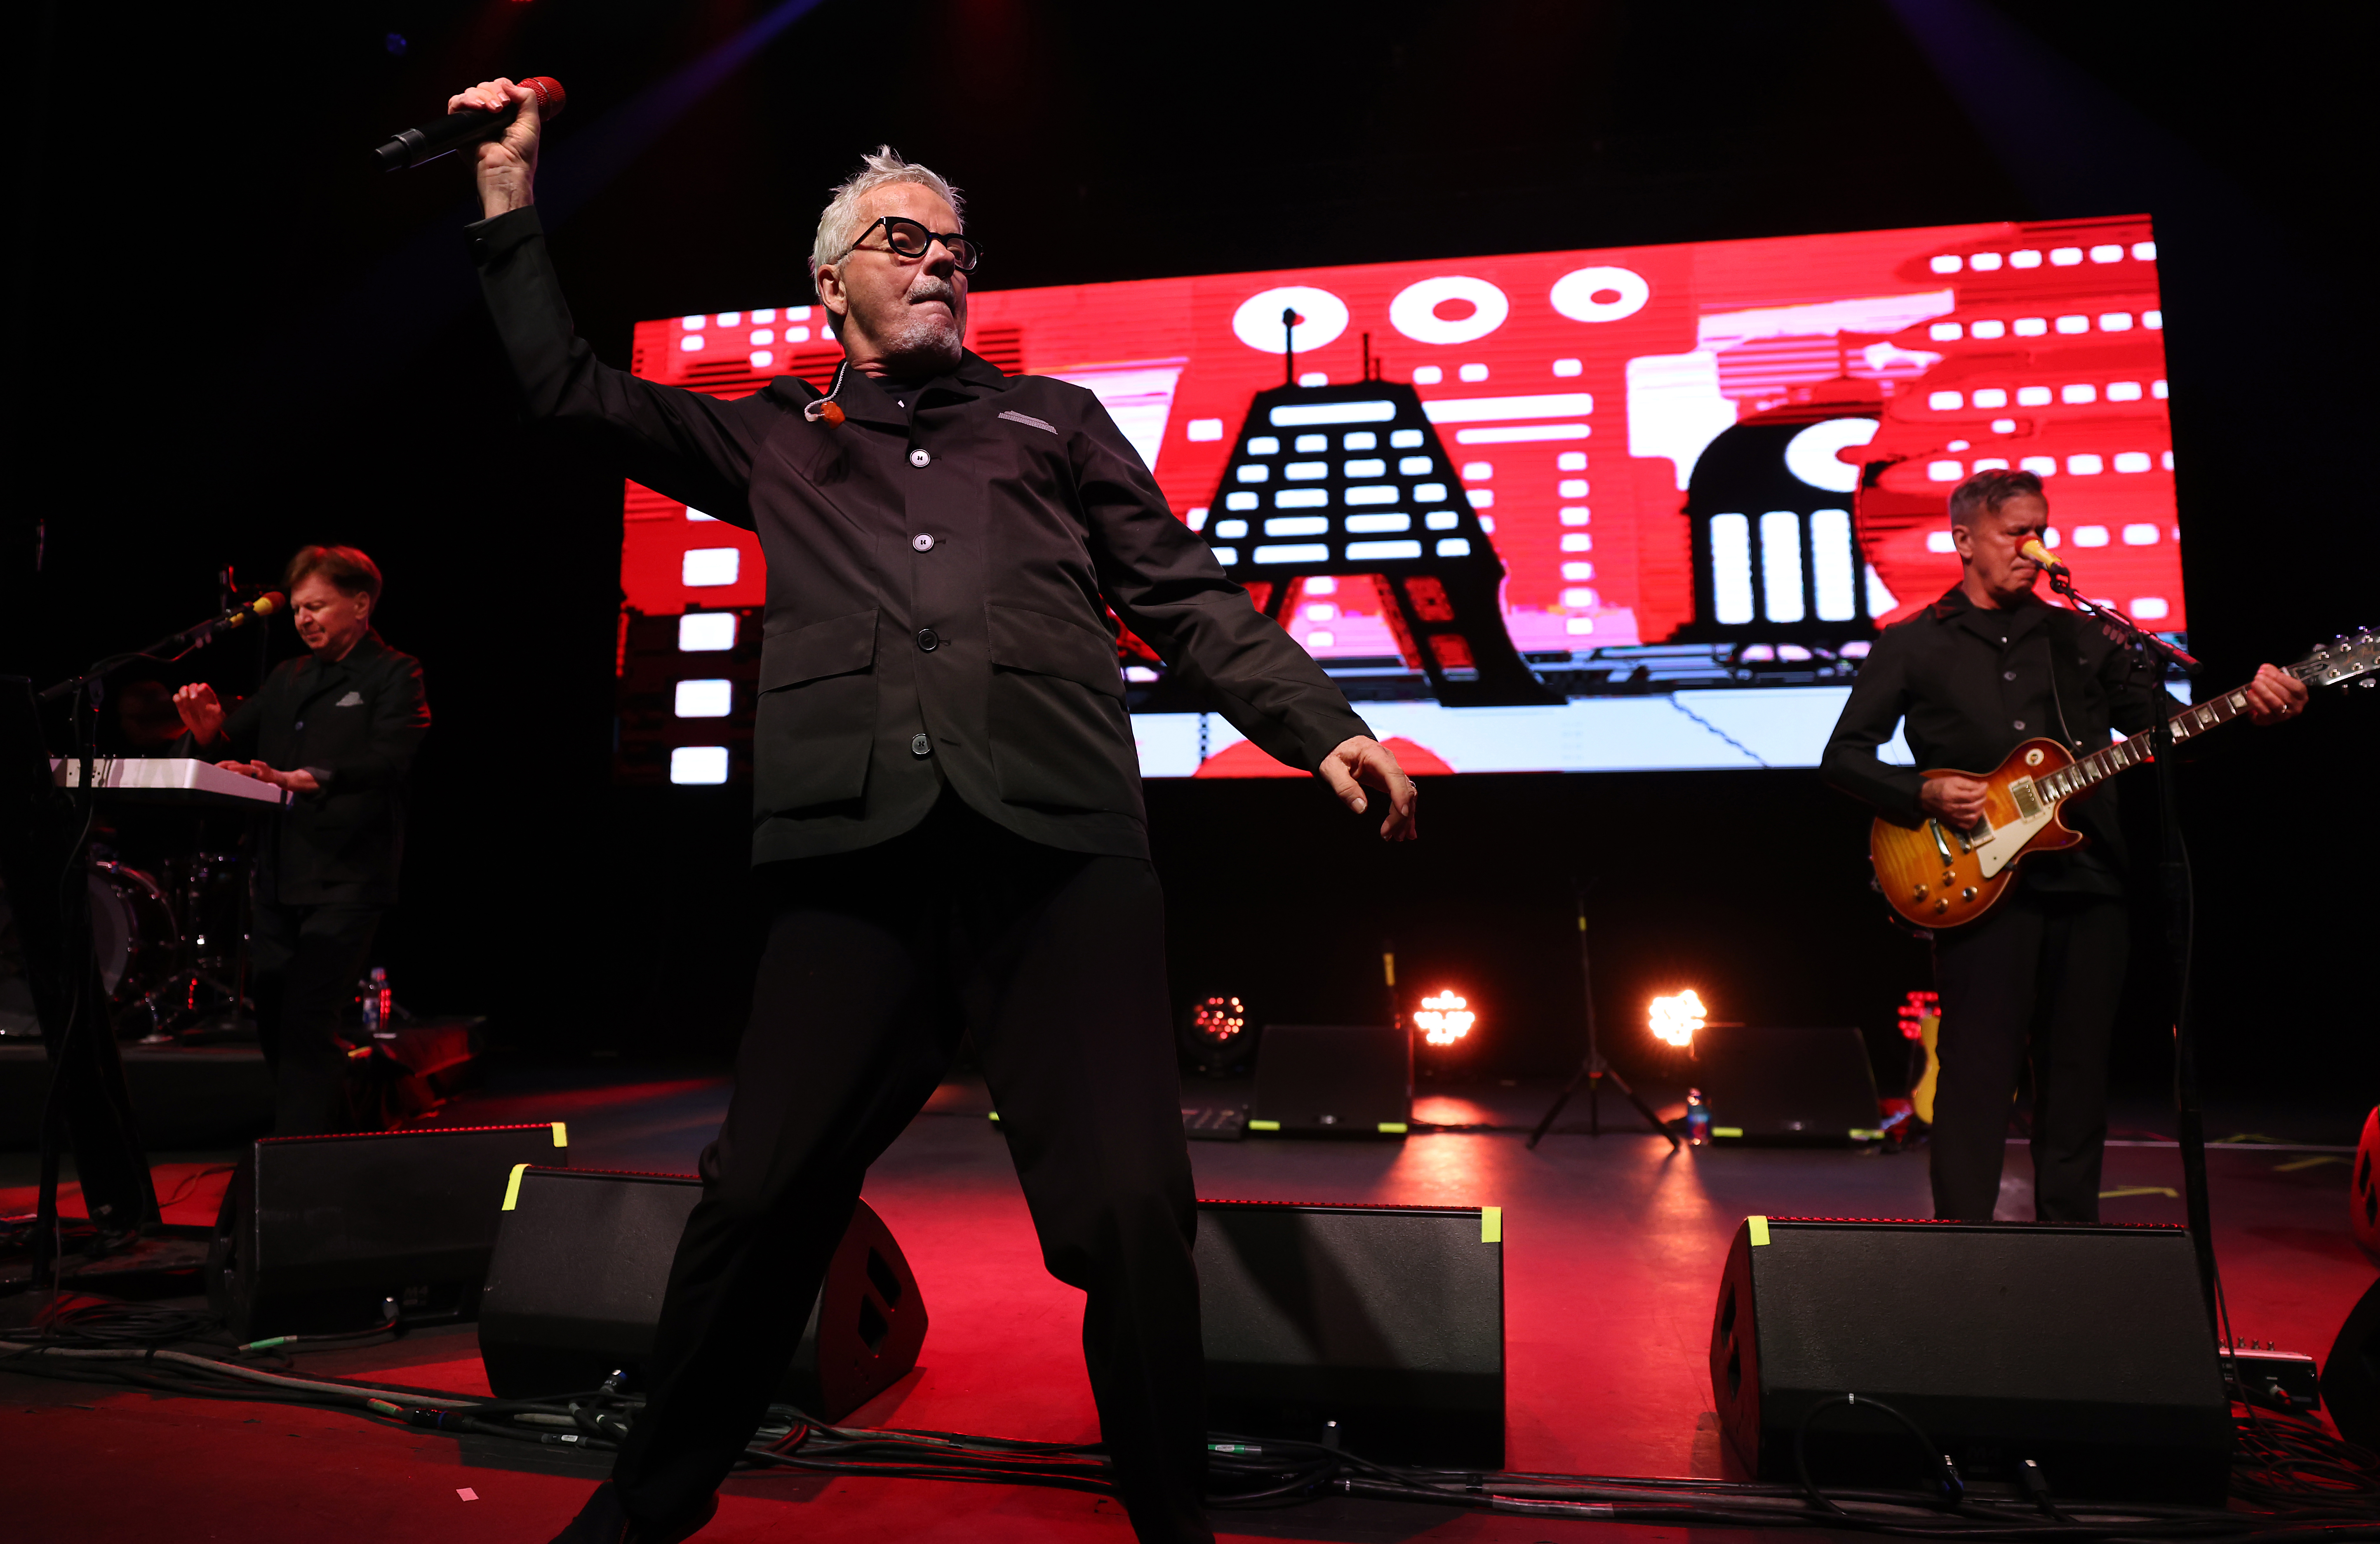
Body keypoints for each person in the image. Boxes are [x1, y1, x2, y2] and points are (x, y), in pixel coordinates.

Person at [449, 79, 1418, 1544]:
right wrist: (510, 199)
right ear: (831, 279)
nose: (943, 261)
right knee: (763, 1193)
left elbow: (1184, 595)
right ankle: (646, 1509)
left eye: (959, 247)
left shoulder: (1052, 420)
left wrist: (1319, 725)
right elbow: (566, 392)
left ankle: (1174, 1522)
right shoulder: (775, 432)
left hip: (1060, 855)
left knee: (1134, 1214)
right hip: (856, 866)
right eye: (906, 239)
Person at [1822, 468, 2305, 1222]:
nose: (2034, 546)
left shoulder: (2085, 635)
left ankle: (2071, 1250)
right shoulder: (1913, 644)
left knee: (2078, 1077)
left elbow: (2171, 734)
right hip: (1975, 885)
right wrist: (1921, 792)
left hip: (2091, 879)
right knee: (1978, 1077)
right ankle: (1964, 1251)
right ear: (1963, 542)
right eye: (2015, 532)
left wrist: (2250, 712)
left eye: (2040, 529)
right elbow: (1843, 757)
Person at [173, 546, 430, 1135]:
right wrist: (208, 732)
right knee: (272, 1015)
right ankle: (322, 1136)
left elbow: (390, 760)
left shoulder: (395, 673)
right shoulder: (288, 676)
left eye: (318, 606)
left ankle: (296, 1156)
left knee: (310, 1016)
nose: (304, 619)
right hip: (279, 870)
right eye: (299, 610)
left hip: (349, 874)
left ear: (360, 604)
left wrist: (300, 779)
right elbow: (228, 741)